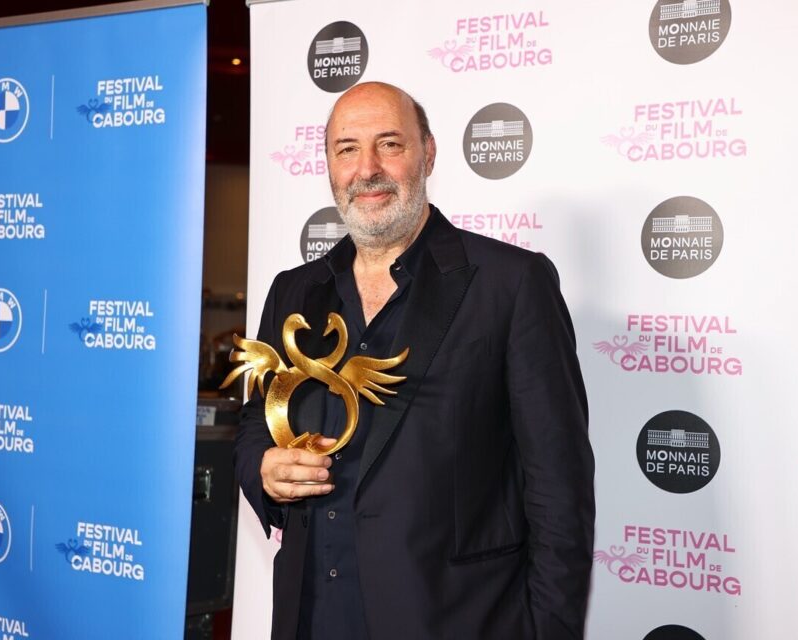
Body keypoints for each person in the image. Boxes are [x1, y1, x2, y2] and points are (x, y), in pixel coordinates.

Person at [235, 81, 595, 639]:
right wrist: (263, 469)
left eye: (390, 144)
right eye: (347, 149)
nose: (367, 169)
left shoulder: (512, 284)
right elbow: (255, 423)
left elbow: (559, 490)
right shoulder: (294, 291)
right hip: (313, 615)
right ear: (329, 165)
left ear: (427, 153)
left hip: (458, 619)